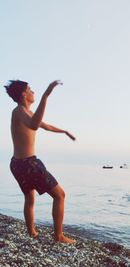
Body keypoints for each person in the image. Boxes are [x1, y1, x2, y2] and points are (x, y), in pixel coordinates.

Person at [4, 79, 76, 244]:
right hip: (29, 164)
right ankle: (58, 236)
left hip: (17, 164)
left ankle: (32, 232)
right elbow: (35, 125)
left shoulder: (24, 112)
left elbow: (45, 125)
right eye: (30, 89)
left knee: (29, 198)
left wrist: (64, 131)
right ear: (24, 94)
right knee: (60, 195)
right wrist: (45, 96)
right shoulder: (19, 111)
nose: (33, 92)